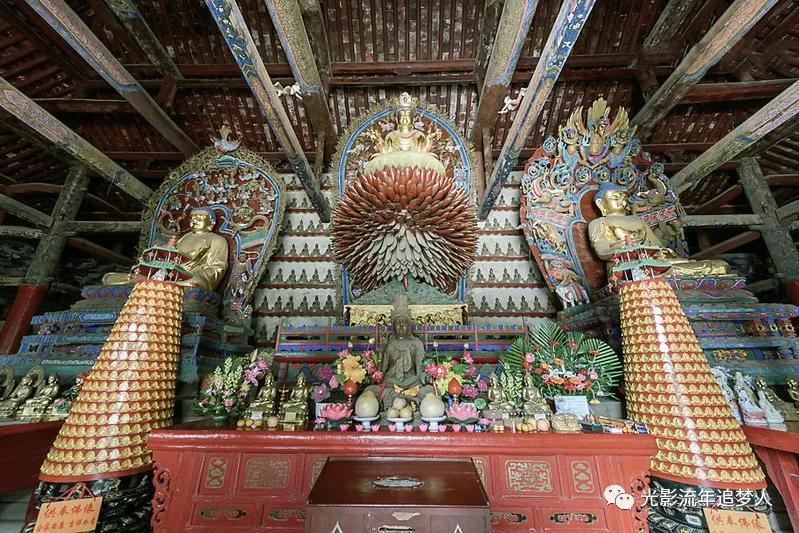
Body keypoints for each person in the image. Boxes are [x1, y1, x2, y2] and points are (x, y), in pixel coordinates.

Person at [588, 183, 730, 277]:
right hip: (626, 266)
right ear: (601, 204)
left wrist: (662, 252)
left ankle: (692, 270)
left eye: (623, 197)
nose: (621, 201)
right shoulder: (599, 223)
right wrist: (628, 247)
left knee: (721, 265)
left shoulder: (638, 220)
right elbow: (602, 252)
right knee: (669, 271)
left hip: (654, 262)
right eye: (614, 197)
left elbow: (658, 247)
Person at [103, 208, 229, 292]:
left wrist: (198, 276)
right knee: (109, 278)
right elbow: (169, 258)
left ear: (211, 222)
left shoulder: (217, 240)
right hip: (166, 275)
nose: (194, 221)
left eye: (200, 217)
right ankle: (163, 285)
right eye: (192, 218)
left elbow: (217, 266)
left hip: (188, 278)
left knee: (195, 283)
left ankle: (159, 286)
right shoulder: (184, 237)